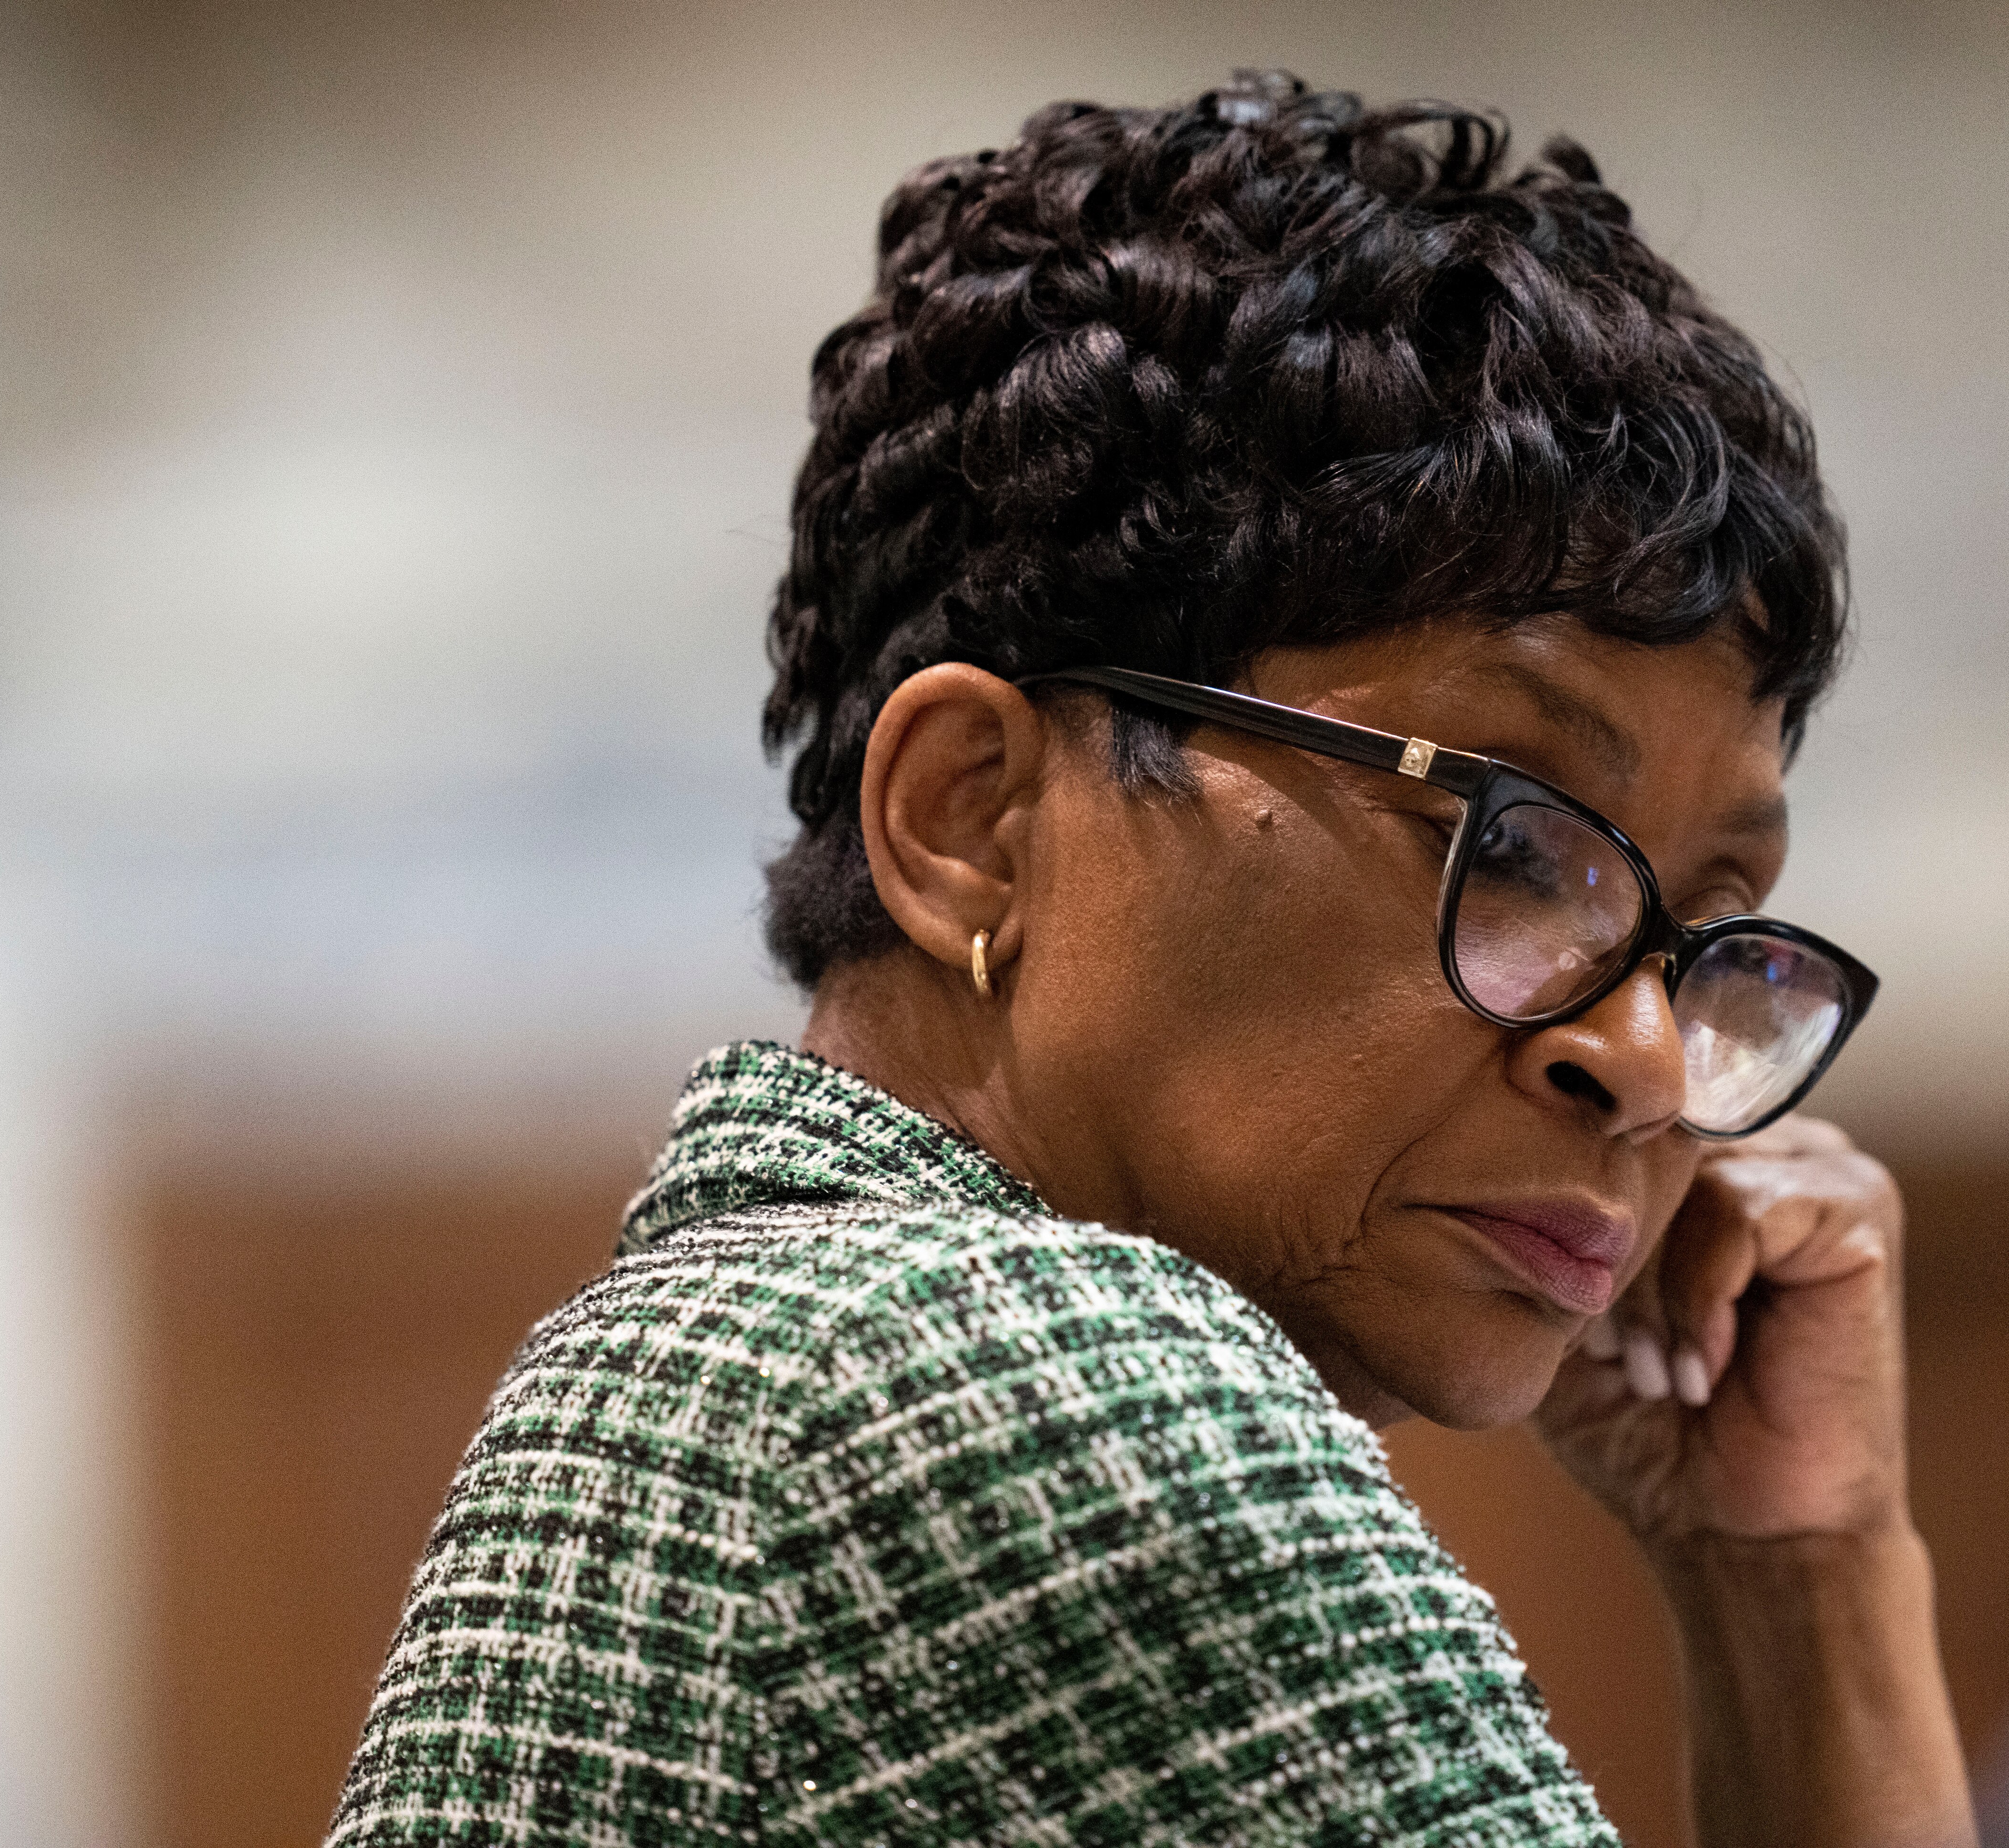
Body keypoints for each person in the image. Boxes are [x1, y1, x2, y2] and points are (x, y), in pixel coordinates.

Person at [329, 74, 1977, 1847]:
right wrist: (1820, 1599)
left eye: (1704, 918)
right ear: (970, 817)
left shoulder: (709, 1360)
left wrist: (1794, 1564)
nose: (1650, 1059)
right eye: (1509, 837)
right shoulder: (1035, 1378)